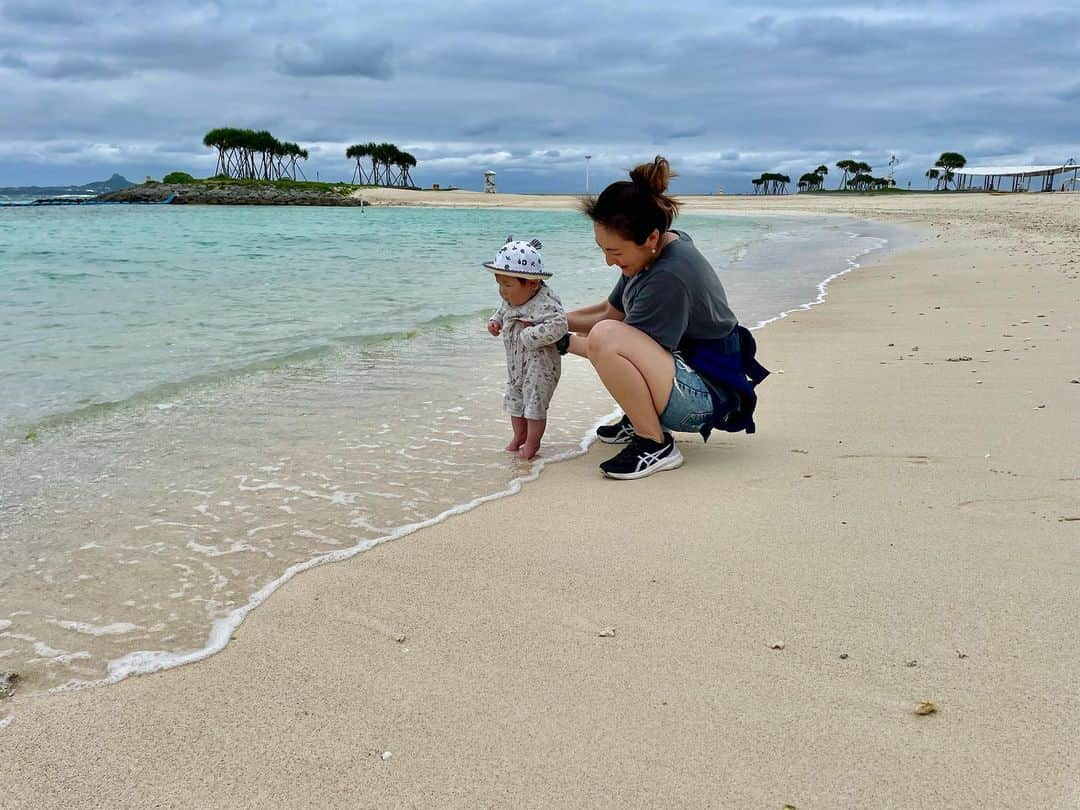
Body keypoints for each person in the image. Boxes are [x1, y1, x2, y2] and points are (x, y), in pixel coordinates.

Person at [558, 156, 768, 480]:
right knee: (608, 332)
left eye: (615, 253)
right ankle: (641, 420)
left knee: (604, 338)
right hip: (684, 374)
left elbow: (613, 347)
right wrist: (553, 318)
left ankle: (655, 443)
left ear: (652, 239)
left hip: (703, 397)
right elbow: (609, 312)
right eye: (603, 250)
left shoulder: (669, 275)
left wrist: (559, 341)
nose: (608, 262)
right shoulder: (649, 254)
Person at [484, 238, 568, 460]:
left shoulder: (545, 302)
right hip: (516, 365)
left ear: (533, 283)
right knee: (515, 401)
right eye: (499, 283)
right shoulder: (513, 298)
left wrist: (528, 335)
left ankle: (532, 443)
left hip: (540, 367)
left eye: (508, 285)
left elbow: (559, 325)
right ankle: (518, 436)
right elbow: (503, 310)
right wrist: (496, 322)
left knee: (533, 405)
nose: (502, 291)